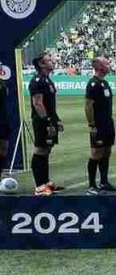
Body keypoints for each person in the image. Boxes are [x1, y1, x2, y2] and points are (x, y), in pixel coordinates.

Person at [29, 54, 63, 195]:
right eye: (49, 59)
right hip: (42, 121)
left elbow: (50, 104)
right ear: (42, 64)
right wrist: (48, 121)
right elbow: (38, 103)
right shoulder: (37, 81)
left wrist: (57, 120)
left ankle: (46, 182)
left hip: (50, 119)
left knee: (47, 149)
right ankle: (39, 187)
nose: (52, 61)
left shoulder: (47, 79)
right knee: (40, 149)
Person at [84, 57, 116, 195]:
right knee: (96, 153)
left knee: (107, 152)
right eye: (106, 63)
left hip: (108, 123)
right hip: (98, 124)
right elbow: (88, 105)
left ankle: (104, 182)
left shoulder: (104, 83)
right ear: (99, 66)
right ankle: (92, 185)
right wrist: (92, 124)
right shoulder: (93, 84)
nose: (109, 65)